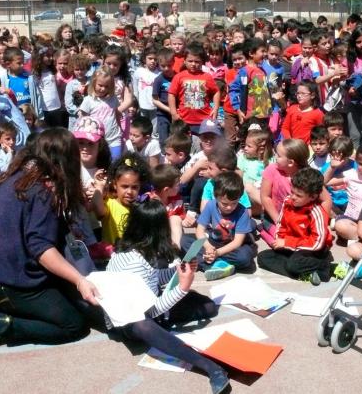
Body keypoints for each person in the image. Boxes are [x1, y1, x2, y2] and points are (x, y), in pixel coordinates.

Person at [0, 129, 103, 352]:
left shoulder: (19, 177)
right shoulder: (42, 190)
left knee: (66, 301)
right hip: (7, 283)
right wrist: (80, 280)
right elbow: (41, 248)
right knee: (74, 325)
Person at [107, 200, 229, 394]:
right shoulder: (131, 262)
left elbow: (154, 277)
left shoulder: (142, 250)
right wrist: (182, 288)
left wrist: (178, 272)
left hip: (151, 303)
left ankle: (167, 328)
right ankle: (211, 368)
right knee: (143, 325)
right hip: (134, 320)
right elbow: (152, 310)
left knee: (209, 307)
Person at [257, 167, 333, 285]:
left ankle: (325, 266)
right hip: (293, 246)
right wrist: (280, 240)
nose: (293, 197)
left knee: (294, 265)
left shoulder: (316, 212)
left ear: (312, 197)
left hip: (313, 249)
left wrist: (287, 243)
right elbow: (281, 224)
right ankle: (306, 273)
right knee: (263, 257)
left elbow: (317, 242)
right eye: (292, 192)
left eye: (298, 195)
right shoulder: (288, 202)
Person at [181, 171, 256, 281]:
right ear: (216, 196)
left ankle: (210, 264)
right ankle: (219, 265)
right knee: (185, 240)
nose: (229, 207)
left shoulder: (242, 212)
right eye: (225, 204)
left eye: (234, 203)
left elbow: (237, 242)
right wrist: (208, 247)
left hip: (233, 247)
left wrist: (217, 253)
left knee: (244, 258)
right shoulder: (211, 205)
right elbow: (200, 231)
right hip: (213, 242)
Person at [91, 151, 149, 246]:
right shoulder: (110, 204)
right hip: (112, 256)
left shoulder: (141, 208)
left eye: (134, 187)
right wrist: (99, 186)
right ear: (115, 185)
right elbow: (98, 209)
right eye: (125, 186)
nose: (129, 192)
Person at [333, 140, 362, 241]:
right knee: (340, 225)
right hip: (352, 220)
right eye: (361, 164)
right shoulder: (351, 175)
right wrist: (332, 168)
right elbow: (324, 183)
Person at [168, 43, 220, 134]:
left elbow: (216, 92)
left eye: (197, 61)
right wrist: (173, 113)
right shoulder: (179, 77)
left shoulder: (207, 77)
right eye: (190, 61)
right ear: (184, 61)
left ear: (202, 62)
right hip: (184, 120)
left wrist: (215, 108)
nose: (193, 64)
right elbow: (172, 94)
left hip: (204, 120)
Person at [78, 66, 122, 159]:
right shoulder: (88, 100)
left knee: (115, 161)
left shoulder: (113, 99)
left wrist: (120, 128)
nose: (103, 89)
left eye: (106, 86)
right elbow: (84, 121)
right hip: (96, 140)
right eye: (100, 85)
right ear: (94, 83)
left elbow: (116, 114)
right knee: (101, 163)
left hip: (114, 138)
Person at [238, 124, 273, 211]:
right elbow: (238, 178)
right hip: (247, 200)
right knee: (249, 187)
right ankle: (273, 210)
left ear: (261, 149)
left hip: (264, 197)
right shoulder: (243, 158)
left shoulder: (271, 160)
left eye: (249, 146)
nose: (245, 148)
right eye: (245, 145)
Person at [152, 48, 175, 149]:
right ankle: (164, 154)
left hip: (176, 112)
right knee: (163, 138)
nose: (166, 68)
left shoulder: (177, 77)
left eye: (169, 65)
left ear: (173, 62)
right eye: (163, 66)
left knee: (175, 136)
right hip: (163, 114)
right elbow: (155, 100)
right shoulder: (158, 80)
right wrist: (169, 109)